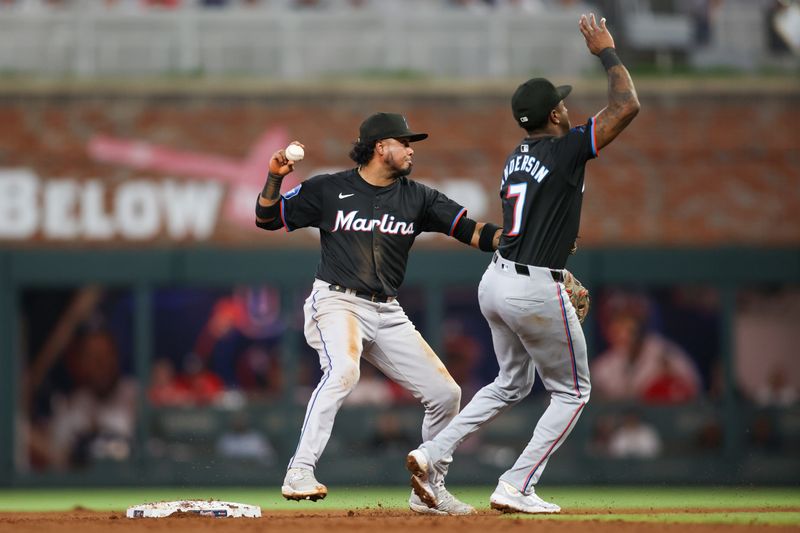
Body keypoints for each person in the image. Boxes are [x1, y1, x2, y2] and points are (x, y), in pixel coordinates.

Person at [406, 13, 640, 514]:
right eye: (562, 101)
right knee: (574, 392)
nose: (567, 105)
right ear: (555, 114)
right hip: (533, 285)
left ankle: (432, 452)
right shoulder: (566, 147)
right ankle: (516, 485)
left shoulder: (518, 155)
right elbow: (627, 105)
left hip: (495, 279)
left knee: (511, 383)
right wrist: (606, 51)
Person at [254, 112, 502, 514]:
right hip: (335, 301)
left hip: (387, 310)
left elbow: (472, 232)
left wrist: (519, 239)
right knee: (343, 371)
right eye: (404, 142)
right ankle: (299, 470)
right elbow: (266, 218)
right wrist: (275, 177)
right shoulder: (329, 189)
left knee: (445, 394)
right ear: (380, 147)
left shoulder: (418, 197)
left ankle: (430, 489)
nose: (411, 149)